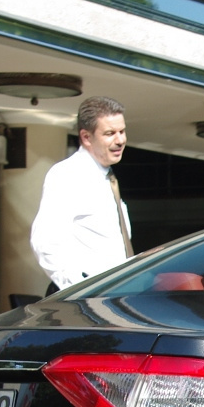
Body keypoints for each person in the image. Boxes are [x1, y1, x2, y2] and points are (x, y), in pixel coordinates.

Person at [31, 96, 133, 293]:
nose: (120, 140)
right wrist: (79, 290)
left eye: (122, 131)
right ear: (86, 137)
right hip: (85, 298)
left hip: (114, 294)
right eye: (110, 133)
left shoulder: (107, 179)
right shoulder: (68, 174)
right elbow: (45, 242)